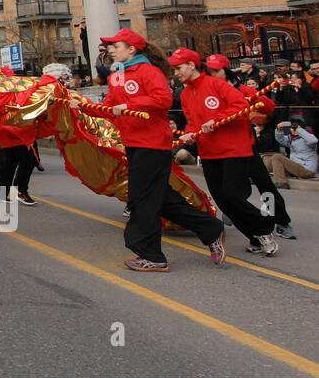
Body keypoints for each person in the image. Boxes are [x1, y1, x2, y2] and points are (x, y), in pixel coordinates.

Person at [73, 32, 224, 272]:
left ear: (131, 49)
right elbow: (111, 108)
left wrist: (131, 105)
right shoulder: (117, 74)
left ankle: (152, 256)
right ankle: (210, 228)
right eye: (110, 46)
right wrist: (82, 107)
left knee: (141, 198)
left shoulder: (148, 71)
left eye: (116, 46)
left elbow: (163, 99)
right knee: (162, 197)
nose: (111, 50)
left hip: (152, 143)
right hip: (133, 142)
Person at [171, 48, 279, 257]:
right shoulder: (185, 94)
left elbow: (240, 106)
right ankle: (255, 236)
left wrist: (218, 119)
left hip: (233, 150)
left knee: (232, 196)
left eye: (178, 68)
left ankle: (265, 228)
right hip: (210, 152)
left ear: (192, 66)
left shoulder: (216, 85)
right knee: (222, 200)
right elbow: (193, 122)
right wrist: (189, 134)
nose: (176, 73)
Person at [269, 120, 317, 189]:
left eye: (295, 128)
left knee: (277, 157)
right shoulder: (291, 138)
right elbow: (280, 139)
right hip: (297, 167)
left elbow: (313, 140)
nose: (292, 130)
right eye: (292, 128)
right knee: (272, 158)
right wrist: (279, 129)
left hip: (307, 170)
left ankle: (281, 182)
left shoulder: (307, 138)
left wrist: (299, 130)